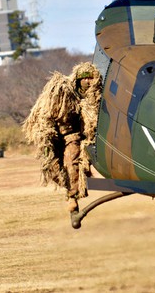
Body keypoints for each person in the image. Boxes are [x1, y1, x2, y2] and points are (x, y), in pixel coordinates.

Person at [23, 62, 102, 214]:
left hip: (74, 137)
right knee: (52, 168)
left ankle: (73, 196)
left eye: (91, 78)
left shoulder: (92, 100)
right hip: (55, 137)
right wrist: (47, 138)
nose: (88, 82)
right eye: (84, 78)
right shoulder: (64, 94)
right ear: (78, 80)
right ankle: (70, 188)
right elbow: (44, 119)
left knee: (72, 162)